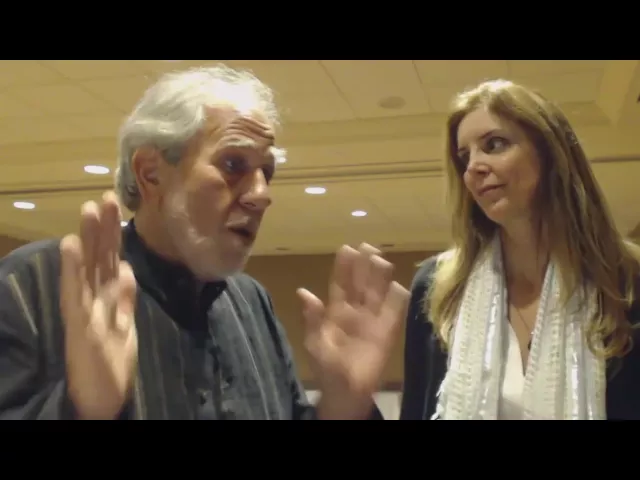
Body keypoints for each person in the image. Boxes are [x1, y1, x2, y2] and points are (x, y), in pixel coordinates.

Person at [0, 65, 409, 420]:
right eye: (233, 164)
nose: (262, 194)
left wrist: (344, 404)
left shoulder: (252, 302)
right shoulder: (34, 284)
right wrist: (85, 409)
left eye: (267, 172)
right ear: (151, 173)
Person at [400, 79, 640, 420]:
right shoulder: (437, 287)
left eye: (494, 144)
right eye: (464, 157)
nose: (473, 168)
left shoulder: (627, 280)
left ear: (550, 152)